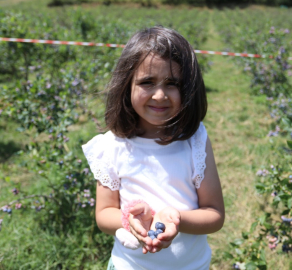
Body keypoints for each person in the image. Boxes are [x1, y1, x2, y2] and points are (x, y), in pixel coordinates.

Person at [82, 26, 225, 270]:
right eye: (147, 82)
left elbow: (214, 214)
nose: (159, 95)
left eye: (172, 83)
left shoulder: (195, 140)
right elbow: (104, 214)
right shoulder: (111, 146)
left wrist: (176, 219)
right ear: (127, 86)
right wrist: (130, 219)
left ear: (188, 88)